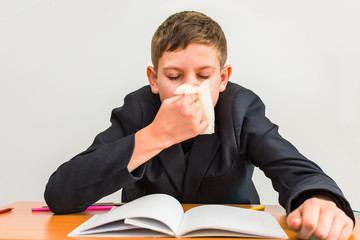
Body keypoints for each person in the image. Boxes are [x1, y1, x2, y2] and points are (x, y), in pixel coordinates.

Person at [45, 11, 354, 239]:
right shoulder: (137, 110)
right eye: (174, 76)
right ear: (154, 79)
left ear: (222, 78)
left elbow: (295, 170)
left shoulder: (240, 108)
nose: (188, 88)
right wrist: (155, 135)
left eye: (204, 77)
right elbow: (61, 194)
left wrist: (319, 199)